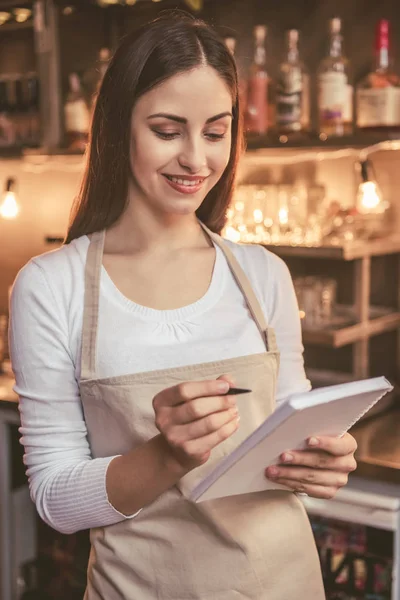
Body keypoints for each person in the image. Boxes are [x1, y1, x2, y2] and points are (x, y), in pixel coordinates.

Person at [9, 11, 358, 600]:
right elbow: (54, 499)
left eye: (216, 132)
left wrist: (321, 465)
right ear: (119, 127)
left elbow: (288, 442)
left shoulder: (263, 274)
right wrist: (165, 455)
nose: (197, 160)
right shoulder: (51, 286)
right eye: (168, 131)